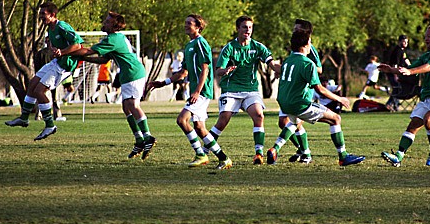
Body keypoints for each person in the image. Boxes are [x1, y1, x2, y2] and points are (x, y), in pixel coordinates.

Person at [266, 29, 365, 166]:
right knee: (336, 119)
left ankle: (274, 149)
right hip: (300, 104)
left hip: (284, 103)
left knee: (294, 123)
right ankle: (343, 156)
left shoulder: (288, 61)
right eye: (310, 42)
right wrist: (339, 99)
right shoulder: (307, 63)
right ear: (306, 44)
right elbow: (320, 89)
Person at [66, 11, 156, 160]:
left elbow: (89, 50)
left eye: (107, 21)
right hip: (128, 74)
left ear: (113, 25)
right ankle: (139, 140)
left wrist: (69, 52)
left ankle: (148, 137)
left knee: (133, 105)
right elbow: (103, 60)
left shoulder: (113, 38)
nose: (104, 22)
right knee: (126, 107)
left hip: (134, 73)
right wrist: (83, 57)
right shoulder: (115, 38)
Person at [149, 14, 232, 170]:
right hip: (197, 91)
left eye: (189, 23)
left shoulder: (201, 43)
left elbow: (206, 69)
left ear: (198, 26)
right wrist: (163, 82)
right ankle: (223, 158)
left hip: (201, 91)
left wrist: (197, 91)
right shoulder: (189, 46)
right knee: (199, 127)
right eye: (185, 23)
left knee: (182, 120)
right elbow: (183, 72)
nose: (186, 25)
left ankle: (201, 154)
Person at [379, 24, 430, 167]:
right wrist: (391, 70)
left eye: (429, 36)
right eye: (425, 36)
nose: (426, 39)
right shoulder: (426, 55)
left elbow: (429, 67)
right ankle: (398, 156)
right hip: (428, 97)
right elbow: (407, 68)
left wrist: (412, 72)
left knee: (428, 119)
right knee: (413, 126)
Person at [207, 15, 280, 165]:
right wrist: (226, 70)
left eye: (250, 27)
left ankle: (258, 154)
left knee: (259, 115)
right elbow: (218, 71)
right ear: (238, 29)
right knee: (223, 120)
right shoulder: (229, 48)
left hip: (250, 89)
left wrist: (285, 69)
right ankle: (204, 151)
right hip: (231, 89)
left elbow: (272, 64)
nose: (248, 30)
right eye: (245, 27)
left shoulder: (258, 47)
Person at [5, 2, 83, 140]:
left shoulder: (61, 26)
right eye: (40, 13)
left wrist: (62, 52)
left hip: (65, 66)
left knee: (39, 91)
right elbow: (58, 47)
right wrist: (53, 48)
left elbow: (78, 44)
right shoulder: (50, 29)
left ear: (52, 15)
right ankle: (24, 118)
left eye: (43, 14)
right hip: (56, 62)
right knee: (33, 84)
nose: (41, 16)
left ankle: (50, 125)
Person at [278, 19, 322, 163]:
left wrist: (303, 70)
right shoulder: (294, 48)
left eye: (297, 29)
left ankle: (303, 152)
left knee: (293, 122)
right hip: (290, 91)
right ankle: (302, 150)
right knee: (284, 122)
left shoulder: (310, 48)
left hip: (302, 92)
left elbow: (319, 69)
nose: (294, 31)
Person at [33, 36, 65, 121]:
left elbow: (37, 67)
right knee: (54, 97)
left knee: (43, 96)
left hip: (45, 78)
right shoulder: (55, 53)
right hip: (54, 78)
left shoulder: (40, 53)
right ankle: (56, 114)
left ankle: (39, 115)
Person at [385, 35, 411, 110]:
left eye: (407, 42)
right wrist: (395, 75)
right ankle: (390, 104)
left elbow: (406, 59)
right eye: (404, 41)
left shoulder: (402, 50)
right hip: (393, 73)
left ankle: (395, 105)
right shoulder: (397, 51)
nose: (406, 43)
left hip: (398, 73)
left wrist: (412, 68)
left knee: (398, 89)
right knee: (397, 89)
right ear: (399, 42)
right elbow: (395, 64)